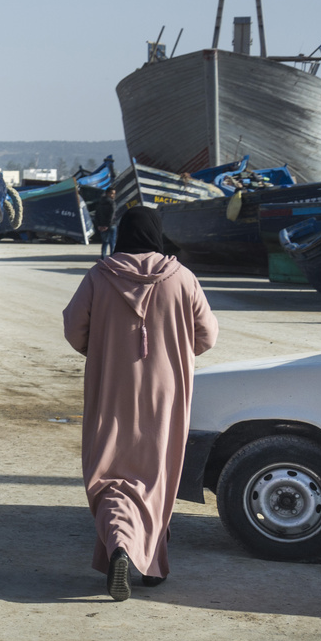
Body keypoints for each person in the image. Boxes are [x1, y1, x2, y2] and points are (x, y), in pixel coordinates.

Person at [62, 206, 218, 602]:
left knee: (111, 470)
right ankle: (152, 563)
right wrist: (176, 350)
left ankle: (120, 546)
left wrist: (100, 349)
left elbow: (73, 327)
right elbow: (207, 335)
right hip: (166, 392)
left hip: (112, 384)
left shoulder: (100, 275)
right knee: (157, 472)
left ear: (123, 233)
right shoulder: (182, 277)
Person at [92, 188, 117, 257]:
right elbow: (111, 215)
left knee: (104, 243)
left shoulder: (100, 202)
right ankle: (112, 259)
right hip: (111, 225)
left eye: (114, 194)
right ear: (108, 193)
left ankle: (103, 258)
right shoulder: (112, 203)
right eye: (112, 193)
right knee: (112, 243)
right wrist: (107, 225)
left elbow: (97, 215)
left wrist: (99, 225)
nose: (113, 195)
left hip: (102, 226)